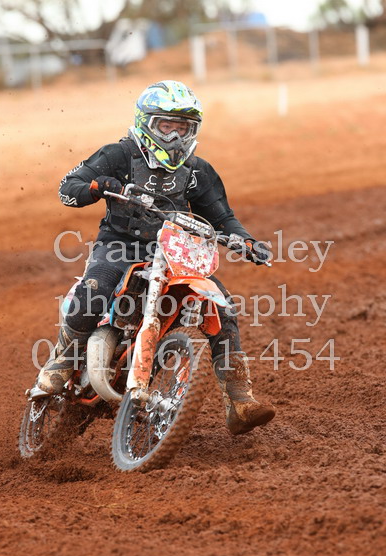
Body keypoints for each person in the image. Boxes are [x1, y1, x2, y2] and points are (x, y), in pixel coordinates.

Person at [37, 80, 275, 435]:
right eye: (167, 126)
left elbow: (222, 217)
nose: (176, 137)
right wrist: (98, 186)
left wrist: (247, 241)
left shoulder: (197, 170)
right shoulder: (118, 155)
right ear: (146, 123)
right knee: (95, 289)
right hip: (119, 245)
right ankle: (63, 359)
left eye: (184, 128)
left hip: (174, 250)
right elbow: (68, 188)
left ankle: (239, 400)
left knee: (222, 307)